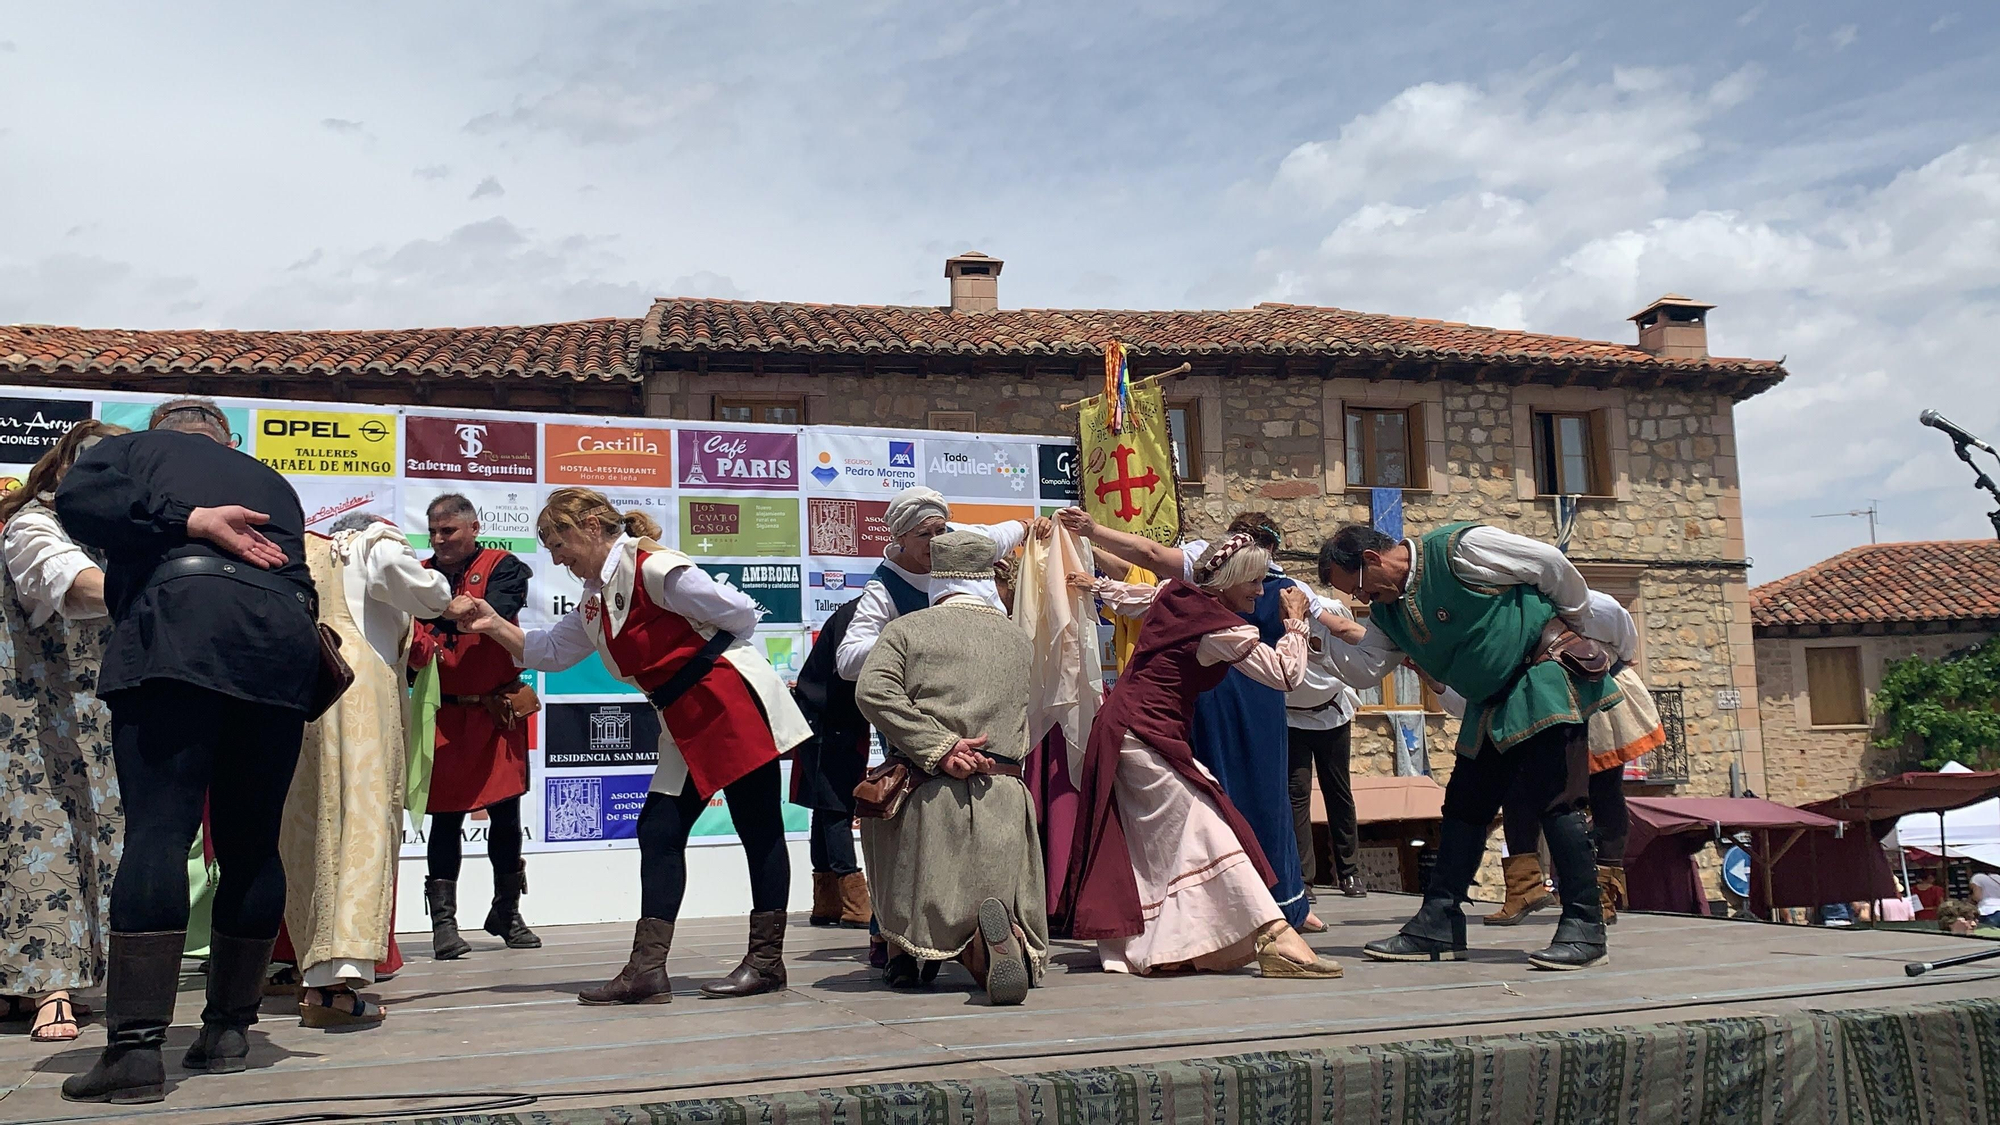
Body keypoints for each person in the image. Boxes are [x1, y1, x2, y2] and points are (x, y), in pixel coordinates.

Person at [54, 398, 321, 1103]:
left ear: (158, 436)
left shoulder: (134, 453)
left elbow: (78, 500)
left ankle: (137, 1050)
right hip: (279, 648)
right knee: (253, 842)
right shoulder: (275, 482)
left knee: (160, 834)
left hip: (178, 630)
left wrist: (181, 520)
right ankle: (231, 1029)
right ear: (225, 440)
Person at [451, 487, 812, 1004]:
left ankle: (766, 962)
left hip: (726, 700)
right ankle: (647, 971)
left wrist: (703, 667)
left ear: (594, 525)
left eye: (558, 541)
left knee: (757, 824)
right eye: (550, 546)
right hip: (680, 714)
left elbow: (738, 614)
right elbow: (549, 651)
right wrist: (490, 623)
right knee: (659, 829)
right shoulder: (596, 598)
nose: (555, 556)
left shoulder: (656, 568)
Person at [1316, 522, 1627, 972]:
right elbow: (1367, 671)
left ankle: (1585, 925)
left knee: (1558, 802)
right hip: (1490, 701)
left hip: (1541, 677)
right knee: (1464, 808)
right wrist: (1311, 639)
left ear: (1372, 560)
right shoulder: (1387, 614)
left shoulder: (1462, 549)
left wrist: (1570, 627)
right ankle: (1438, 921)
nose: (1360, 601)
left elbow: (1551, 565)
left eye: (1357, 588)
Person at [1053, 533, 1343, 981]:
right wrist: (1295, 625)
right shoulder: (1221, 628)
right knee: (1206, 824)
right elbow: (1286, 674)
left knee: (1164, 843)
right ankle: (1273, 936)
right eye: (1253, 582)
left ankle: (1173, 942)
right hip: (1143, 735)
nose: (1260, 591)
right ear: (1228, 581)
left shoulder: (1177, 596)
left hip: (1129, 731)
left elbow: (1139, 599)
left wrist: (1097, 587)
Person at [855, 531, 1047, 1004]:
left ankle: (902, 955)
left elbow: (872, 692)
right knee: (993, 889)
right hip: (1002, 792)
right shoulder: (1018, 640)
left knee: (910, 881)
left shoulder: (906, 630)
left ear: (937, 579)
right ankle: (991, 943)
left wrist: (938, 746)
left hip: (927, 793)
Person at [278, 512, 453, 1028]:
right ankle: (335, 984)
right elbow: (431, 595)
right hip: (358, 695)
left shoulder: (297, 550)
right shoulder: (372, 544)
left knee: (307, 832)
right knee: (363, 826)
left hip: (306, 690)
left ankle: (310, 969)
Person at [0, 420, 127, 1044]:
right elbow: (74, 591)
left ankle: (54, 982)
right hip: (30, 716)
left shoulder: (121, 535)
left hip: (96, 714)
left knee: (98, 847)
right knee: (40, 839)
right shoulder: (35, 526)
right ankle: (48, 988)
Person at [1446, 590, 1652, 927]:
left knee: (1603, 788)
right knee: (1517, 787)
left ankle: (1602, 894)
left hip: (1589, 686)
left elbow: (1625, 639)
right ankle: (1524, 888)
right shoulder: (1502, 609)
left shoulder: (1591, 603)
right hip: (1534, 697)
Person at [412, 493, 539, 960]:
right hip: (443, 713)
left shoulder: (505, 566)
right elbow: (423, 626)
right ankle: (444, 925)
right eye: (434, 531)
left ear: (473, 528)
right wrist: (451, 611)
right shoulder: (420, 575)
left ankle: (506, 912)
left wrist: (445, 613)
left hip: (495, 711)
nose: (440, 539)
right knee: (446, 819)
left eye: (449, 531)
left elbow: (492, 617)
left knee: (506, 816)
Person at [833, 485, 1038, 682]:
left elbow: (1018, 528)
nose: (935, 542)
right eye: (923, 534)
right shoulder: (885, 586)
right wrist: (911, 637)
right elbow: (847, 661)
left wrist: (1033, 526)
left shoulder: (963, 539)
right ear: (900, 538)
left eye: (940, 531)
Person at [789, 596, 873, 929]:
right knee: (836, 807)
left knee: (825, 808)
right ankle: (854, 902)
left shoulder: (854, 611)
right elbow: (851, 672)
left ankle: (827, 903)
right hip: (829, 720)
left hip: (824, 717)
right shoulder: (860, 614)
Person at [1285, 595, 1363, 899]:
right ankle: (1303, 879)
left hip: (1332, 713)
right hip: (1292, 717)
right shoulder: (1275, 617)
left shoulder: (1332, 610)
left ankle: (1350, 872)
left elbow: (1352, 640)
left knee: (1338, 790)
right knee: (1296, 795)